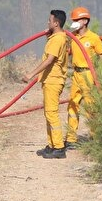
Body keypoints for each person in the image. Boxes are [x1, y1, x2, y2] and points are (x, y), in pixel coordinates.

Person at [65, 7, 102, 149]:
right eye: (73, 20)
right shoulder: (73, 37)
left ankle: (95, 137)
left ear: (85, 21)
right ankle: (71, 139)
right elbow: (68, 52)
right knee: (72, 106)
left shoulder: (93, 38)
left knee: (91, 107)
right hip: (76, 74)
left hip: (88, 75)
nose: (74, 22)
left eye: (77, 20)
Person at [22, 10, 69, 159]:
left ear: (56, 23)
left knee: (52, 113)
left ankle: (59, 148)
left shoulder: (58, 39)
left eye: (49, 21)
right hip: (50, 80)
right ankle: (52, 145)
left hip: (54, 81)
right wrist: (48, 34)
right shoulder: (56, 37)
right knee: (48, 113)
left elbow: (49, 60)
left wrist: (31, 74)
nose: (47, 23)